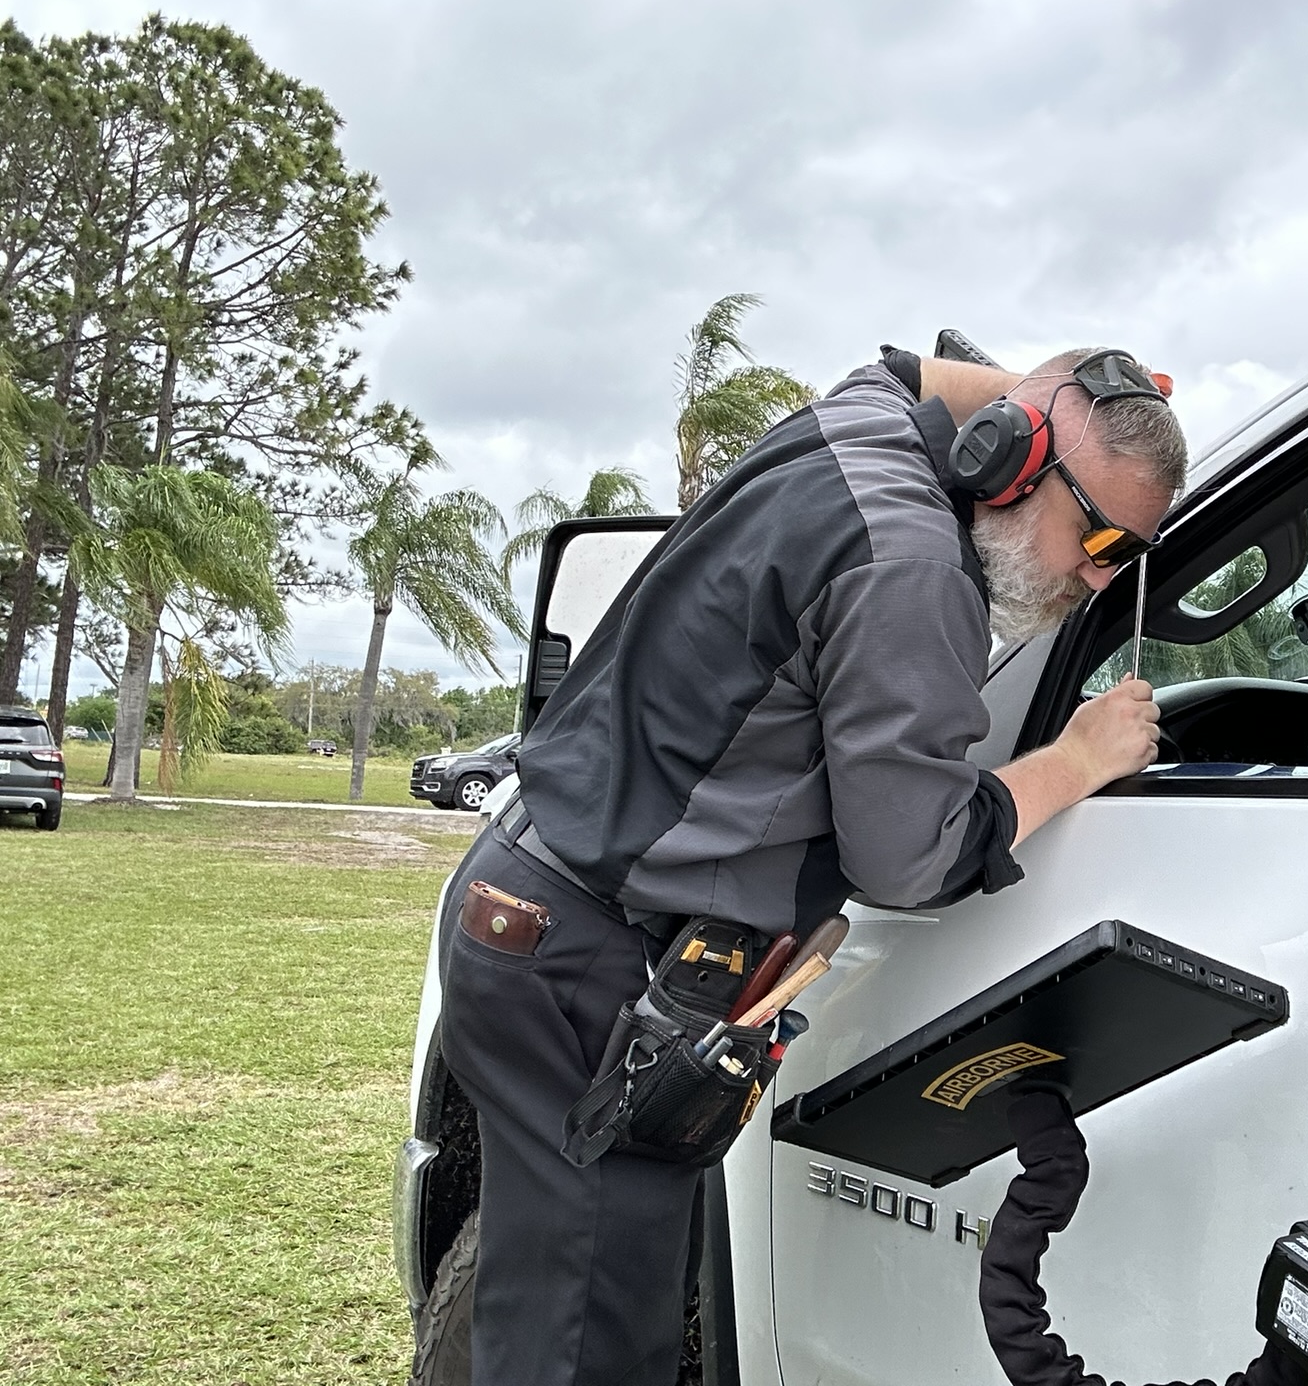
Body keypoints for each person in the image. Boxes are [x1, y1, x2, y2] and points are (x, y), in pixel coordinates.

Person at [435, 342, 1187, 1385]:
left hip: (534, 918)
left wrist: (1058, 390)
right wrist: (1074, 759)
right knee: (583, 1350)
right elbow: (907, 855)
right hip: (598, 976)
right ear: (1005, 458)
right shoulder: (913, 565)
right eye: (1097, 534)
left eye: (1128, 557)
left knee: (553, 1310)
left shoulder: (853, 429)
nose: (1098, 575)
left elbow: (912, 370)